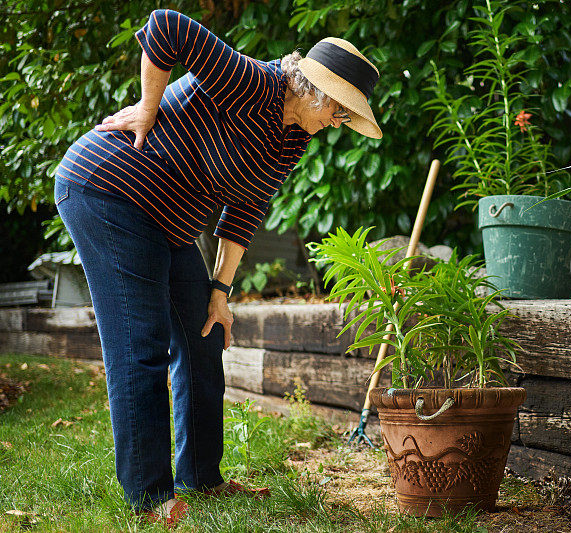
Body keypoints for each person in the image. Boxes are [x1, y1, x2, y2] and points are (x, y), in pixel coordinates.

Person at [53, 9, 381, 526]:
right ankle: (150, 497)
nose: (336, 125)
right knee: (142, 344)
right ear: (318, 93)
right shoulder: (253, 83)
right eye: (339, 113)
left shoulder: (294, 135)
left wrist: (220, 291)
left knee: (203, 334)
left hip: (168, 222)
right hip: (108, 191)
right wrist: (147, 106)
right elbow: (165, 26)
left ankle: (201, 479)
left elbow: (245, 208)